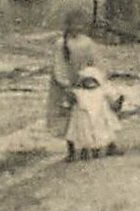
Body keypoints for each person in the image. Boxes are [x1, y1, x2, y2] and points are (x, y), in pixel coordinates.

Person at [50, 9, 99, 163]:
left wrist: (91, 78)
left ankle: (86, 148)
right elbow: (59, 65)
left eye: (80, 24)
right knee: (68, 119)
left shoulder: (88, 43)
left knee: (85, 117)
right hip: (67, 86)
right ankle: (71, 150)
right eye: (74, 24)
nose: (78, 27)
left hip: (84, 84)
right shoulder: (61, 44)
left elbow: (95, 63)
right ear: (68, 25)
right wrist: (65, 84)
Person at [67, 66, 123, 160]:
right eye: (86, 80)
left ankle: (102, 150)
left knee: (102, 134)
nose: (89, 83)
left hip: (99, 117)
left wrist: (118, 101)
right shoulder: (79, 92)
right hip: (85, 119)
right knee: (83, 135)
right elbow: (70, 100)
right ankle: (85, 151)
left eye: (92, 80)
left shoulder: (101, 90)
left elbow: (114, 97)